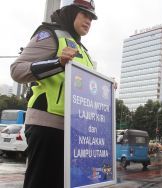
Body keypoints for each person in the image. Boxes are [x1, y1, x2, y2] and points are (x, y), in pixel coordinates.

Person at [10, 1, 97, 187]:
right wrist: (58, 62)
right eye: (84, 15)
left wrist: (105, 87)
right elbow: (17, 70)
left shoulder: (84, 51)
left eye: (91, 18)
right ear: (71, 12)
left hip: (75, 131)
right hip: (47, 125)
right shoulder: (50, 35)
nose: (89, 21)